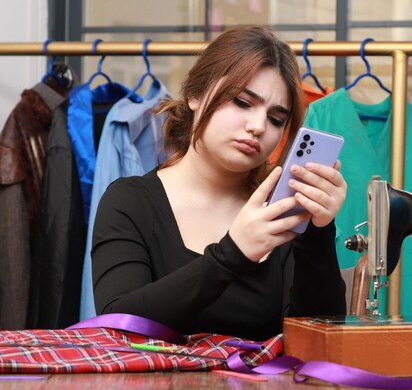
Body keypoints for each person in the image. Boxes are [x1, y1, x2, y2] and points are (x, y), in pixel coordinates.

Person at [91, 26, 347, 341]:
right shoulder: (129, 201)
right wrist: (234, 252)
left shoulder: (280, 212)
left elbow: (318, 337)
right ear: (196, 95)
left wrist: (319, 233)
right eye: (242, 102)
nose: (257, 126)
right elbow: (118, 324)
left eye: (276, 120)